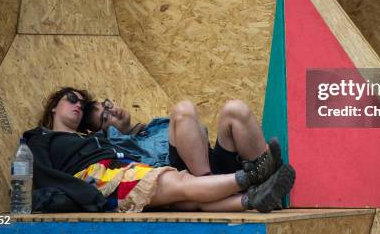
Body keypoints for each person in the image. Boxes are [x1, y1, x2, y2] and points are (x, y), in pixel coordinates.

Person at [24, 87, 295, 213]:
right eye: (71, 99)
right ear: (53, 107)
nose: (78, 105)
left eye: (105, 104)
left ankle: (263, 187)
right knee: (184, 188)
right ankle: (256, 184)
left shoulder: (150, 127)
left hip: (196, 169)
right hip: (134, 177)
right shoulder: (45, 137)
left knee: (235, 110)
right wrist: (86, 197)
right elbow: (43, 175)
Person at [81, 98, 278, 182]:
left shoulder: (156, 125)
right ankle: (209, 188)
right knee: (183, 109)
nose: (113, 110)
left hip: (213, 164)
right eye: (105, 118)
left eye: (107, 105)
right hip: (185, 179)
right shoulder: (115, 145)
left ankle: (269, 180)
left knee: (235, 109)